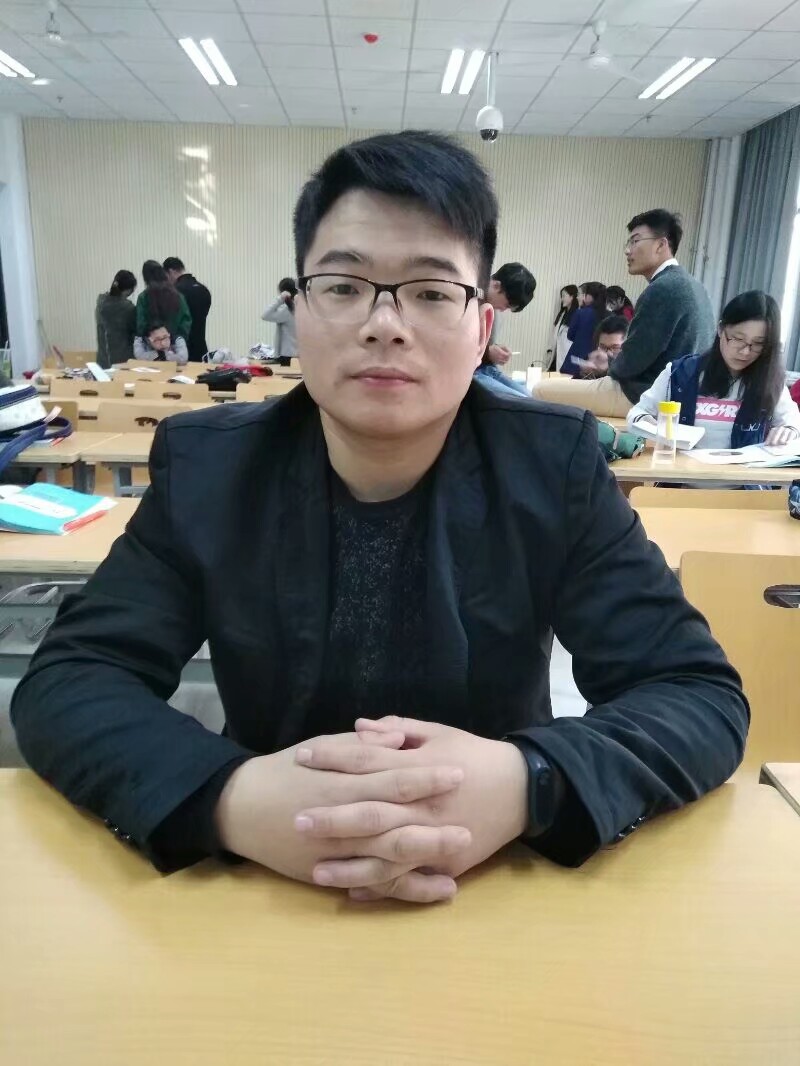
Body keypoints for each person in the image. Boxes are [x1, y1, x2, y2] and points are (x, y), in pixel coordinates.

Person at [11, 130, 747, 907]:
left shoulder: (552, 464)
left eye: (431, 292)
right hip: (262, 886)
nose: (384, 323)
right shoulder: (210, 468)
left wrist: (528, 781)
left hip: (496, 882)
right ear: (298, 311)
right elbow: (72, 678)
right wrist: (228, 797)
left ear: (482, 330)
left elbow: (696, 692)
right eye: (343, 286)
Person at [535, 210, 715, 416]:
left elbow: (634, 360)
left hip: (643, 396)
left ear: (661, 245)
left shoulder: (663, 288)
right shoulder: (695, 286)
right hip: (681, 398)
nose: (628, 251)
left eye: (635, 241)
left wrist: (608, 364)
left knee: (539, 390)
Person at [628, 291, 800, 448]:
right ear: (720, 329)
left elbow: (793, 423)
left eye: (758, 343)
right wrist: (647, 423)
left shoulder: (769, 382)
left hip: (741, 473)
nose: (745, 351)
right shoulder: (679, 373)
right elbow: (637, 413)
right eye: (738, 339)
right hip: (682, 472)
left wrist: (789, 430)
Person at [483, 261, 536, 367]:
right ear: (496, 285)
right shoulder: (469, 298)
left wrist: (494, 349)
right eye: (506, 305)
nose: (503, 310)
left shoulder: (492, 308)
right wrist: (487, 353)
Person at [163, 257, 211, 362]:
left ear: (170, 272)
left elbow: (172, 322)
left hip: (182, 350)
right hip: (201, 348)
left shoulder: (175, 291)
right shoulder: (204, 290)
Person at [135, 260, 192, 343]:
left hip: (152, 344)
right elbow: (186, 321)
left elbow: (141, 325)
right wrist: (176, 339)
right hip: (174, 345)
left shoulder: (143, 297)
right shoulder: (177, 295)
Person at [561, 282, 607, 377]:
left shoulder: (581, 313)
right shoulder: (608, 316)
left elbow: (570, 335)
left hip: (577, 359)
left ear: (590, 296)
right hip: (598, 363)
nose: (578, 297)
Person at [95, 269, 137, 368]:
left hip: (102, 361)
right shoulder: (128, 308)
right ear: (129, 290)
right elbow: (136, 332)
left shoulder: (101, 303)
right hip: (123, 362)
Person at [576, 314, 629, 379]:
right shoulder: (592, 361)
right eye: (603, 347)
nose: (608, 353)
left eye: (615, 348)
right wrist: (587, 374)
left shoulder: (634, 369)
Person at [262, 277, 298, 362]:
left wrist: (280, 299)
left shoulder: (287, 310)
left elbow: (265, 315)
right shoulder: (300, 306)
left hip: (287, 356)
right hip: (299, 356)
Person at [550, 285, 579, 371]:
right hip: (557, 354)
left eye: (563, 296)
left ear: (572, 297)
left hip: (567, 354)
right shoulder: (563, 314)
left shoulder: (577, 315)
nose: (562, 299)